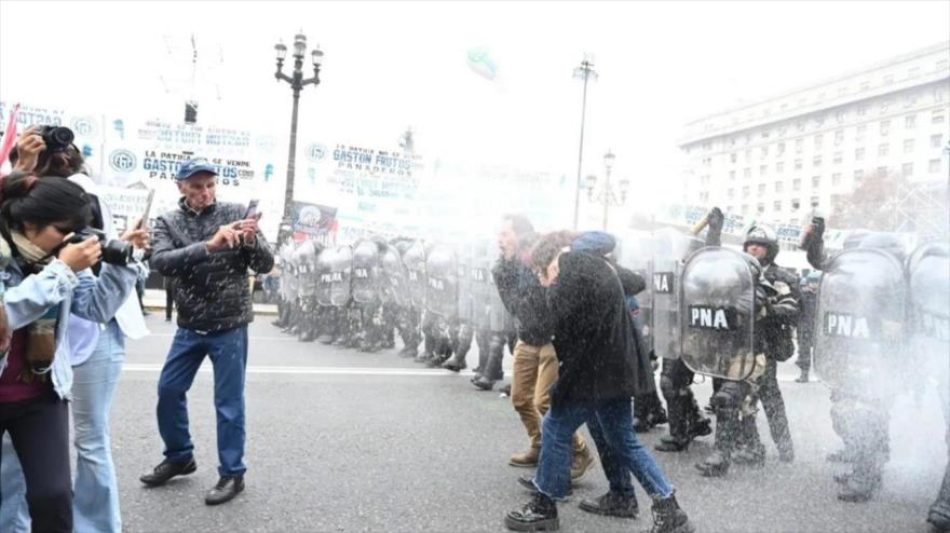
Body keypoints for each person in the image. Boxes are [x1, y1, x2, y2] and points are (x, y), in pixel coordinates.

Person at [4, 130, 150, 533]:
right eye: (60, 230)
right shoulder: (4, 254)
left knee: (52, 496)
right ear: (29, 222)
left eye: (75, 232)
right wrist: (63, 268)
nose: (68, 241)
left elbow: (97, 307)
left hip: (40, 392)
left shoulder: (59, 256)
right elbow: (8, 311)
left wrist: (123, 262)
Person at [505, 231, 693, 533]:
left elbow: (538, 329)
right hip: (615, 367)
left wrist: (534, 295)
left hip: (597, 370)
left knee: (555, 425)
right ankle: (668, 508)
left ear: (552, 263)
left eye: (543, 275)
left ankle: (544, 506)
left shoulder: (572, 265)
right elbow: (629, 282)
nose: (544, 282)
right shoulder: (593, 265)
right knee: (621, 438)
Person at [140, 157, 274, 506]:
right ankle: (180, 455)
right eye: (197, 186)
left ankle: (233, 473)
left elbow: (265, 264)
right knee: (168, 390)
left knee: (228, 403)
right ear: (181, 186)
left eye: (210, 185)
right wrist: (209, 246)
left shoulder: (235, 210)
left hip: (229, 323)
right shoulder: (168, 220)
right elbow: (159, 261)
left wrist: (250, 240)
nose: (205, 193)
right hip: (189, 324)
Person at [695, 208, 798, 477]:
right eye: (751, 244)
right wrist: (714, 233)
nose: (754, 249)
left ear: (770, 249)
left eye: (760, 246)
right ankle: (749, 445)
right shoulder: (735, 273)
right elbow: (711, 265)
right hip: (735, 346)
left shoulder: (780, 277)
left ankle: (784, 445)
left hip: (764, 346)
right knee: (732, 398)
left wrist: (764, 308)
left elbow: (791, 307)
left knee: (770, 398)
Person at [492, 215, 593, 478]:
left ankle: (579, 450)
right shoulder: (503, 267)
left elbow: (549, 295)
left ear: (520, 235)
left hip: (550, 337)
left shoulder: (538, 256)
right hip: (527, 336)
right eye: (499, 235)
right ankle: (538, 444)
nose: (500, 241)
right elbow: (513, 305)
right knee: (520, 399)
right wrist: (504, 269)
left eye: (505, 234)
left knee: (545, 402)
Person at [795, 272, 820, 383]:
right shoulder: (803, 295)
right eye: (812, 282)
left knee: (821, 353)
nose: (814, 285)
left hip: (818, 328)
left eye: (816, 282)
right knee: (804, 352)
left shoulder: (823, 296)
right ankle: (804, 374)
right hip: (805, 327)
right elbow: (796, 310)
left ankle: (821, 374)